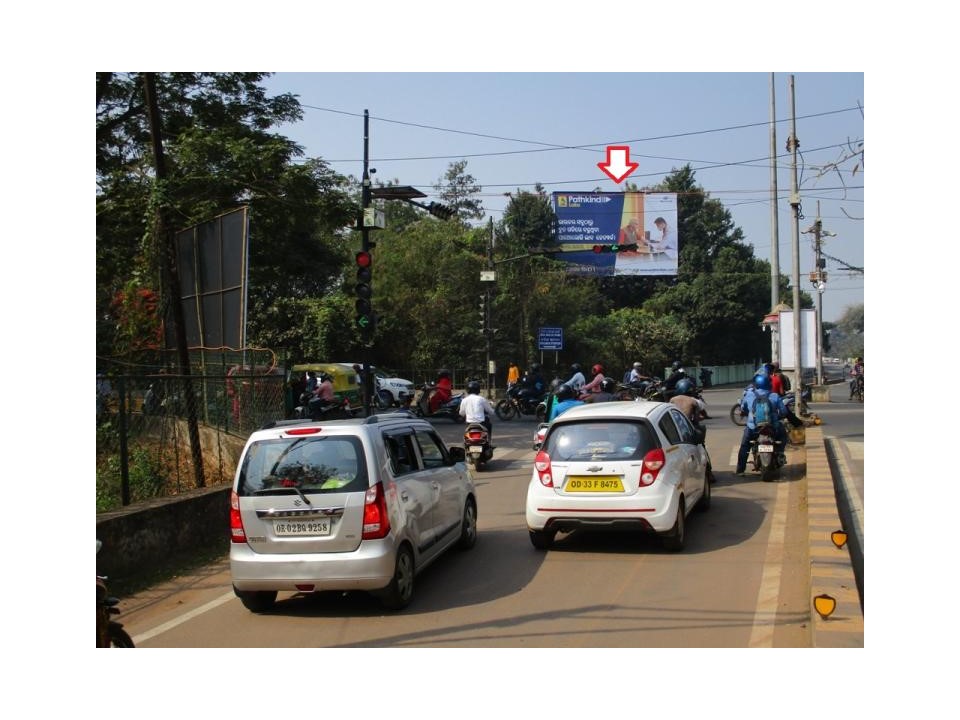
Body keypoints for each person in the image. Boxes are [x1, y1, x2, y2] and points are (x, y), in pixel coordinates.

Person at [735, 373, 799, 476]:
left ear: (756, 384)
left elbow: (744, 408)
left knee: (745, 446)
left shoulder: (749, 394)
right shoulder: (774, 396)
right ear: (768, 384)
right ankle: (780, 454)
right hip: (772, 427)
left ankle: (740, 470)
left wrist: (749, 413)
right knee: (783, 436)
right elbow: (783, 411)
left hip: (753, 428)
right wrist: (777, 416)